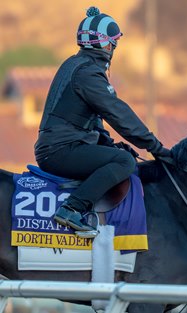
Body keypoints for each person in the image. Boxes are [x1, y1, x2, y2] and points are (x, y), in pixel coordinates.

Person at [34, 6, 171, 237]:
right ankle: (72, 209)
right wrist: (155, 147)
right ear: (108, 45)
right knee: (125, 163)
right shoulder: (88, 73)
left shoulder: (76, 64)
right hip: (60, 150)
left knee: (120, 155)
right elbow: (117, 113)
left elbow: (92, 120)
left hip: (61, 146)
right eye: (113, 44)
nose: (113, 48)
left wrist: (108, 145)